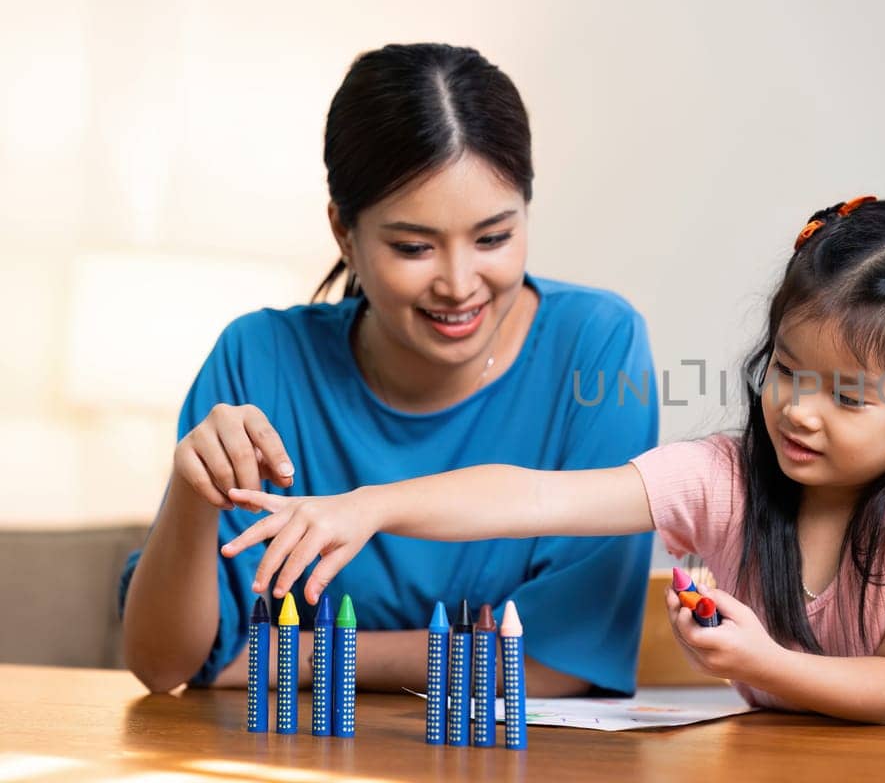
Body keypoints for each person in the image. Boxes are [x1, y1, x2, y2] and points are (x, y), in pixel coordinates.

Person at [225, 197, 885, 728]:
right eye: (786, 371)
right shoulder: (727, 476)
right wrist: (371, 506)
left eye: (848, 399)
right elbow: (531, 498)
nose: (798, 410)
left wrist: (760, 663)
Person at [119, 43, 657, 697]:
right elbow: (165, 666)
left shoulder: (596, 345)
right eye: (413, 247)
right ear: (344, 234)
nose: (460, 284)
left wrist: (288, 658)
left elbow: (556, 663)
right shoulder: (259, 358)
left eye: (493, 238)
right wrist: (192, 497)